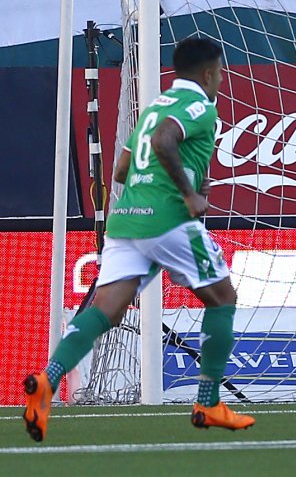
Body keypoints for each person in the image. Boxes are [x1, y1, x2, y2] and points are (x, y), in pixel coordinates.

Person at [23, 37, 254, 443]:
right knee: (223, 298)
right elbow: (164, 141)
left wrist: (157, 186)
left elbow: (121, 169)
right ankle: (208, 402)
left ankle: (48, 380)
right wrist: (187, 192)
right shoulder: (200, 106)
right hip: (171, 219)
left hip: (126, 218)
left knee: (106, 310)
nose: (220, 79)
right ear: (208, 73)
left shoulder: (153, 108)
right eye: (219, 72)